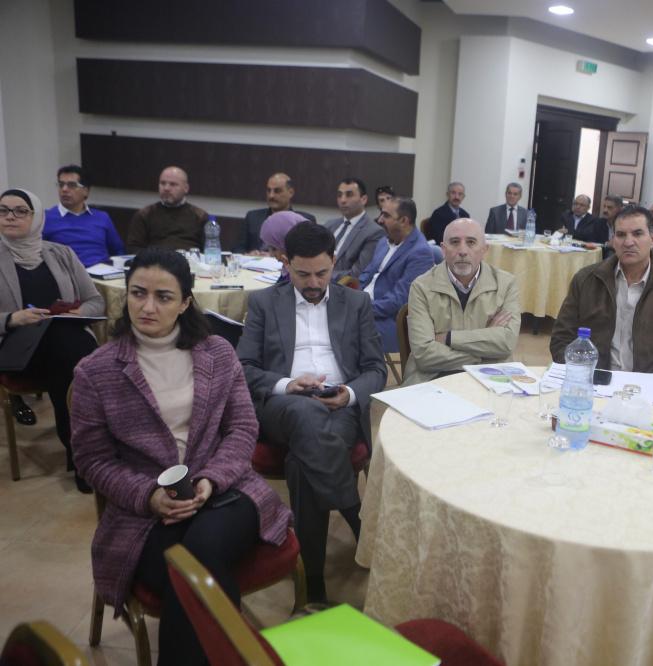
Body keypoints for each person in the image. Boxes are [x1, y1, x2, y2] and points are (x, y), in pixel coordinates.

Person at [71, 248, 292, 666]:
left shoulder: (217, 353)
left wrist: (211, 479)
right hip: (146, 513)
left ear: (186, 302)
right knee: (194, 569)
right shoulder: (96, 371)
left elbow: (243, 428)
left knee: (198, 554)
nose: (147, 307)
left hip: (226, 493)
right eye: (138, 293)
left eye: (163, 297)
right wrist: (149, 496)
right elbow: (92, 460)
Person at [237, 221, 386, 606]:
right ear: (286, 264)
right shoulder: (264, 303)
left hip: (340, 404)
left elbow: (376, 369)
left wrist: (349, 394)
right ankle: (354, 511)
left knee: (302, 465)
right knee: (305, 416)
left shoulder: (356, 303)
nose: (314, 282)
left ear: (334, 261)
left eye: (322, 272)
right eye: (303, 274)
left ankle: (312, 582)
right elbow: (244, 368)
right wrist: (288, 384)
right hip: (284, 404)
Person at [0, 188, 104, 492]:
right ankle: (86, 456)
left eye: (20, 211)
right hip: (17, 349)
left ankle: (86, 451)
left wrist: (77, 313)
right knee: (78, 359)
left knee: (66, 350)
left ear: (36, 217)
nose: (10, 217)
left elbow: (96, 301)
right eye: (3, 210)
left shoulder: (61, 253)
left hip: (63, 348)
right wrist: (13, 318)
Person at [551, 205, 653, 383]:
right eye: (621, 235)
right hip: (592, 382)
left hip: (650, 386)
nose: (628, 242)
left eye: (637, 234)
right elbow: (561, 338)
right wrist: (581, 375)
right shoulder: (587, 279)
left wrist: (652, 385)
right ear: (613, 240)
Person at [403, 218, 520, 386]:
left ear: (484, 249)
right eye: (454, 242)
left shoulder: (506, 284)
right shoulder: (421, 287)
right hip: (433, 377)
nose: (463, 251)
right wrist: (486, 349)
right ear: (443, 249)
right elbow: (424, 356)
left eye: (471, 242)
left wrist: (448, 338)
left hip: (490, 377)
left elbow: (507, 342)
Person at [357, 198, 434, 353]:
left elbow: (399, 300)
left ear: (404, 221)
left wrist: (362, 309)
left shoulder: (420, 253)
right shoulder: (383, 242)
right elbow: (366, 275)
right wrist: (351, 298)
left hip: (388, 320)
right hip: (365, 305)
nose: (379, 220)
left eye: (386, 215)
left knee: (340, 332)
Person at [42, 164, 124, 267]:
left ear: (86, 191)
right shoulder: (46, 218)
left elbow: (118, 251)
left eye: (71, 185)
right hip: (68, 273)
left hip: (103, 272)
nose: (64, 189)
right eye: (61, 184)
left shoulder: (102, 217)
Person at [126, 166, 208, 252]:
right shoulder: (144, 215)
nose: (166, 188)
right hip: (155, 259)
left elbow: (210, 250)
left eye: (173, 184)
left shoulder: (200, 216)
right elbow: (133, 249)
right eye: (162, 183)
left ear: (186, 188)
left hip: (190, 259)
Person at [235, 173, 316, 254]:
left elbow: (310, 253)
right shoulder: (252, 217)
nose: (271, 196)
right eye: (268, 190)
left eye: (277, 191)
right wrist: (248, 254)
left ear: (291, 192)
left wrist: (275, 255)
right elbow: (237, 249)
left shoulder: (304, 221)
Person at [324, 177, 385, 281]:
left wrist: (321, 275)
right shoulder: (329, 225)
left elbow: (358, 274)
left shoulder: (374, 232)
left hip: (343, 287)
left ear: (363, 199)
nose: (343, 200)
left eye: (349, 195)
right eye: (339, 195)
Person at [259, 211, 311, 283]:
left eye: (274, 249)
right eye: (269, 248)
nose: (271, 254)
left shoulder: (302, 276)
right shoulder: (288, 268)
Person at [426, 182, 470, 246]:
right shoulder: (438, 214)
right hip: (444, 248)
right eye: (453, 193)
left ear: (463, 197)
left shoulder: (465, 215)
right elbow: (438, 238)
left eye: (460, 194)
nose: (456, 197)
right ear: (447, 194)